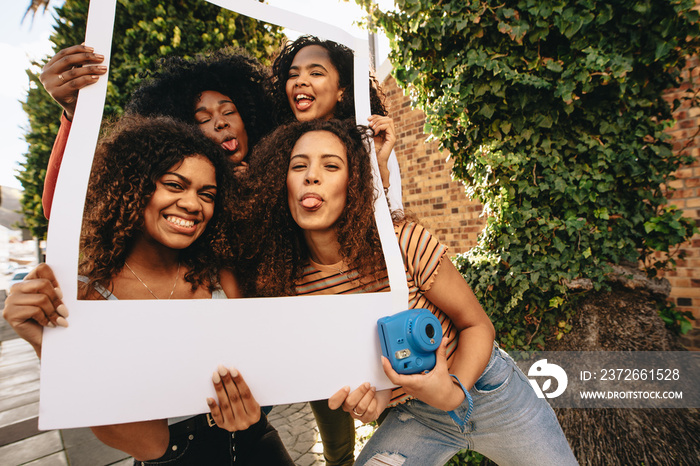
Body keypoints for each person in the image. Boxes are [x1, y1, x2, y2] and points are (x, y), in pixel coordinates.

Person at [243, 119, 578, 466]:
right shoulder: (291, 287)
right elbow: (363, 367)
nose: (311, 176)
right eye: (299, 165)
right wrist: (374, 400)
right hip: (416, 414)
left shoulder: (403, 243)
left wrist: (451, 390)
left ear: (354, 182)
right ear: (279, 183)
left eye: (331, 165)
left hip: (489, 391)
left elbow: (478, 327)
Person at [3, 115, 294, 466]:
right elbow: (149, 445)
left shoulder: (221, 278)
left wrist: (250, 410)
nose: (192, 204)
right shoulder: (89, 298)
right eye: (174, 185)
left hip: (258, 445)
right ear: (134, 185)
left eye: (207, 194)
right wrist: (45, 345)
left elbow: (265, 376)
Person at [40, 46, 272, 218]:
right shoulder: (160, 193)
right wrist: (73, 114)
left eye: (229, 111)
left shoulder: (279, 176)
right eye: (204, 119)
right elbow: (59, 210)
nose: (220, 123)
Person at [270, 35, 403, 213]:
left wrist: (379, 169)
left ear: (342, 90)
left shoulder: (371, 144)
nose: (299, 81)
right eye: (293, 74)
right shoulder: (277, 151)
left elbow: (393, 221)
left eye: (316, 73)